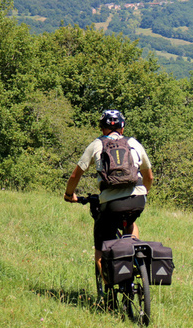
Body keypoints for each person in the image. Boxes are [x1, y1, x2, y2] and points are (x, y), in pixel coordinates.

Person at [64, 109, 153, 282]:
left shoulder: (97, 144)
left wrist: (69, 194)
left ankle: (109, 284)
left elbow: (76, 175)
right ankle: (133, 250)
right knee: (131, 222)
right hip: (137, 199)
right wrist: (144, 192)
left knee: (101, 241)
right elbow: (149, 176)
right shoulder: (134, 143)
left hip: (111, 203)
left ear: (102, 128)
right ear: (123, 128)